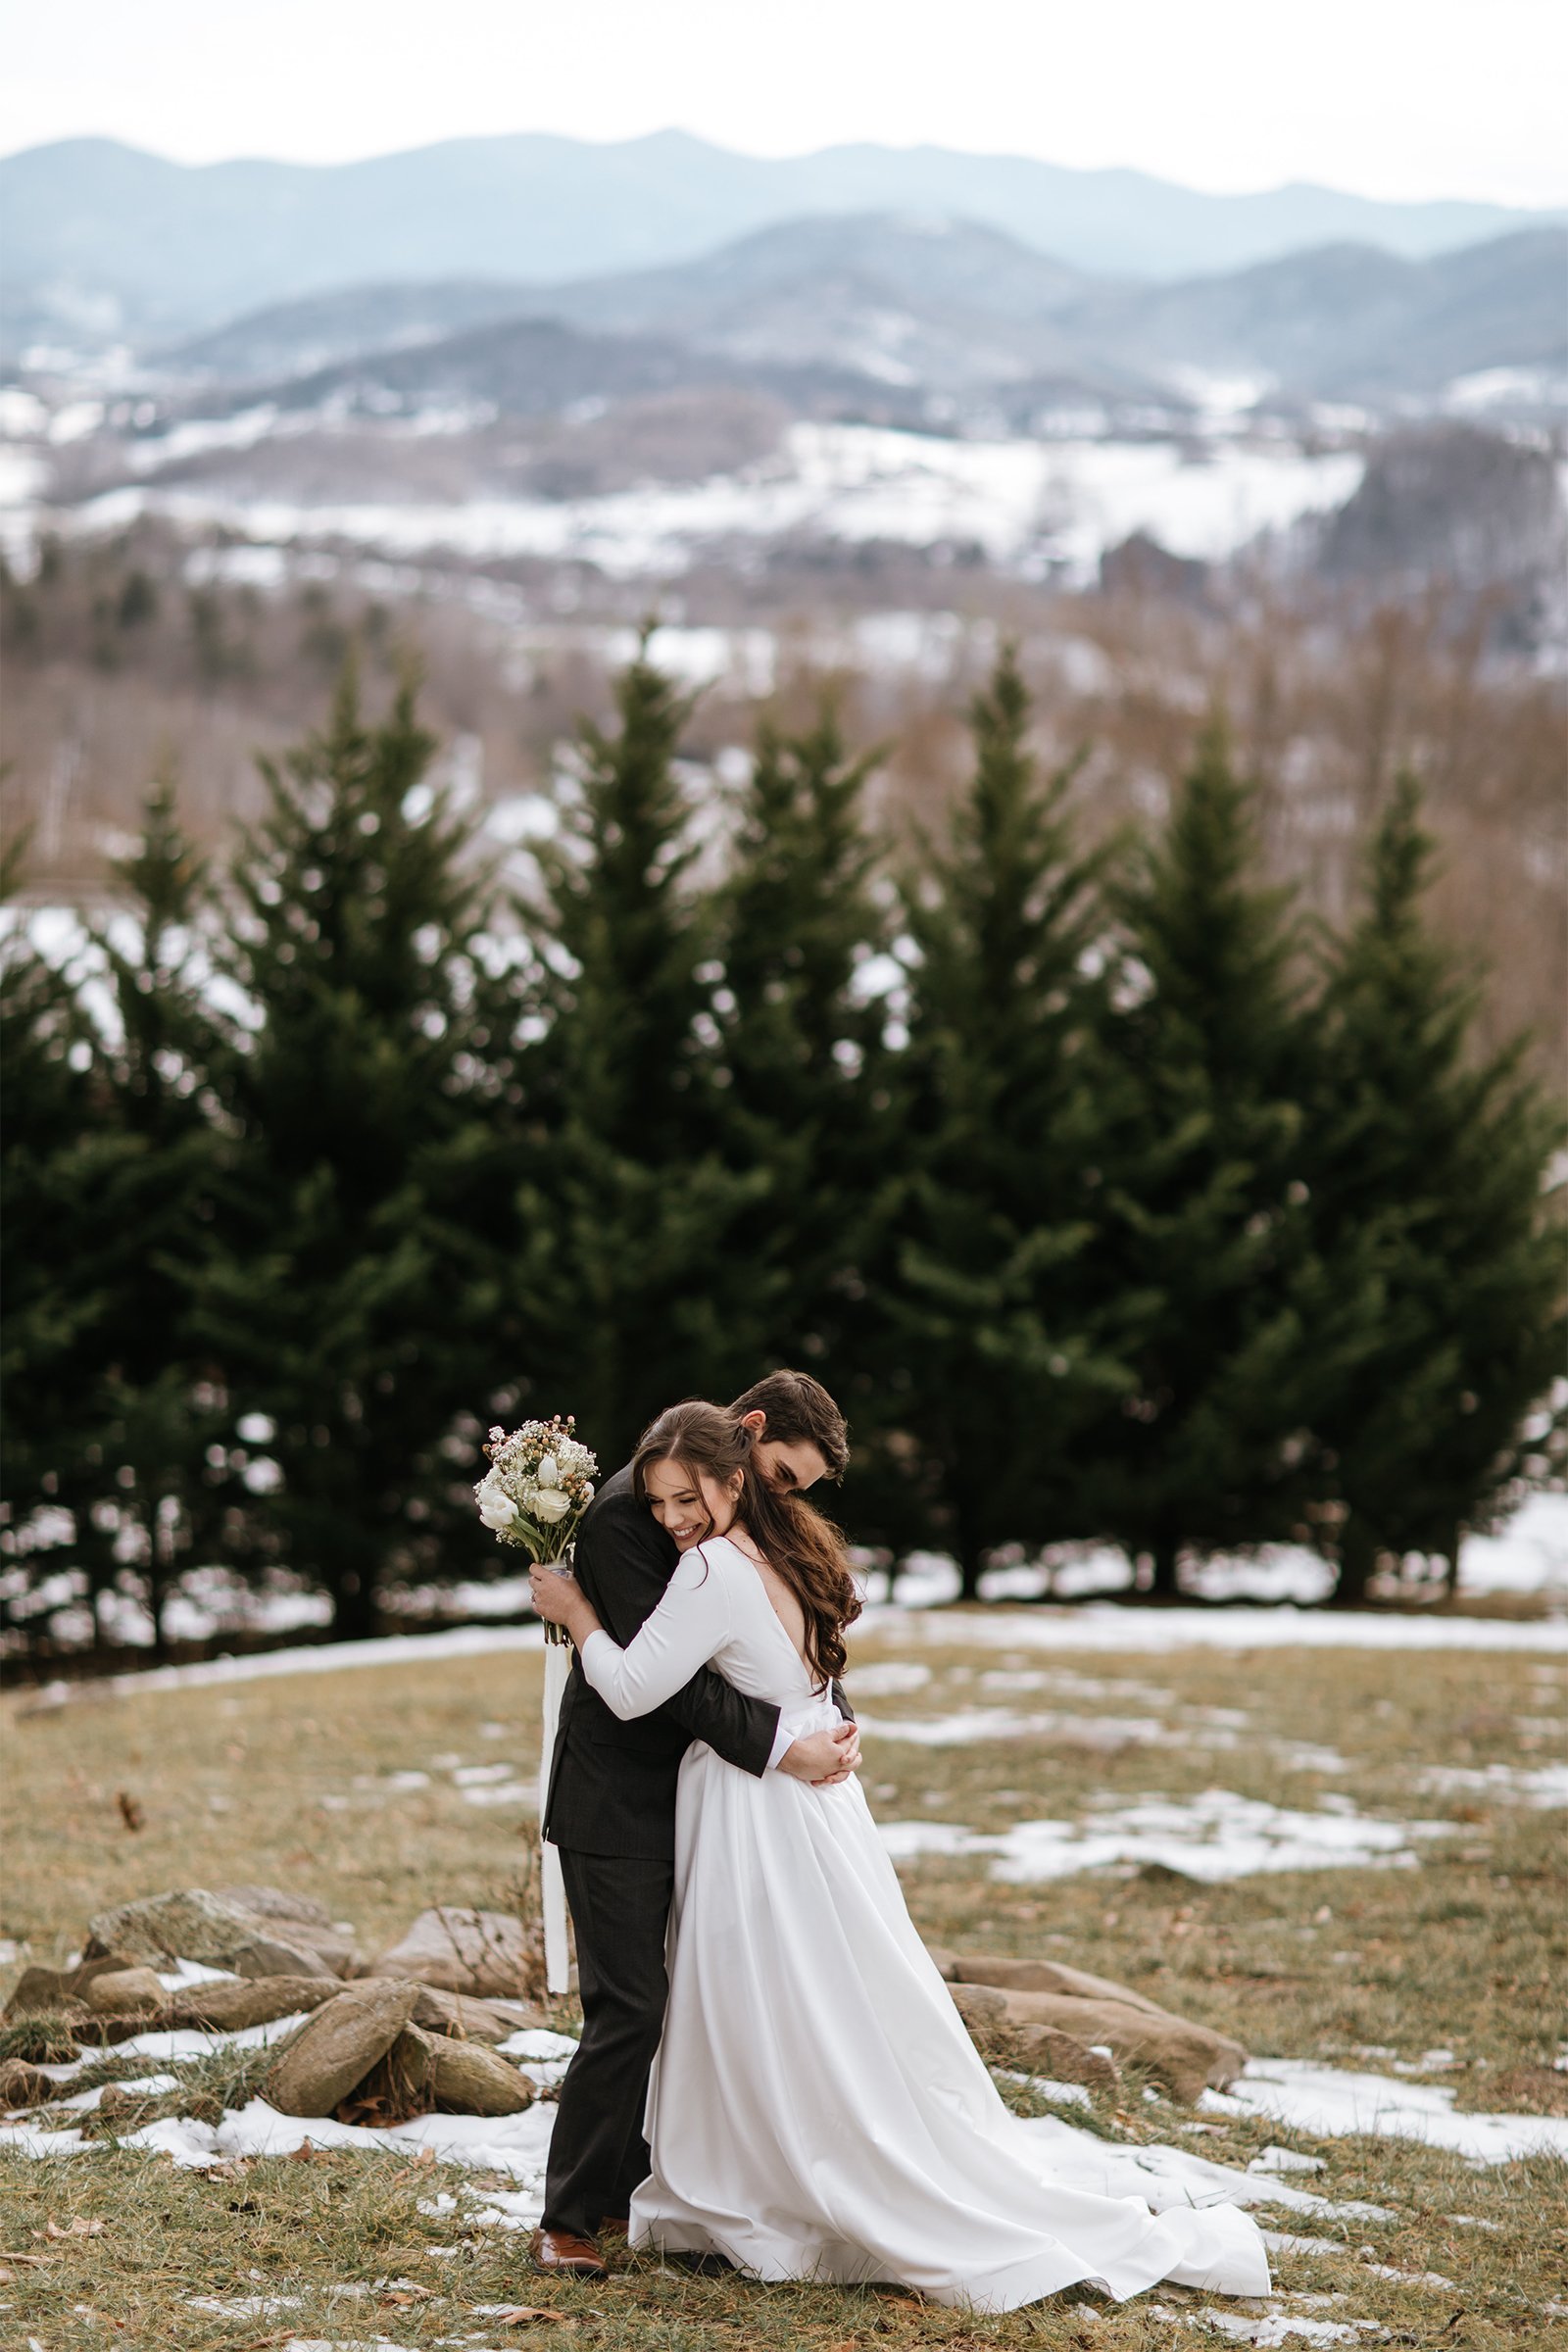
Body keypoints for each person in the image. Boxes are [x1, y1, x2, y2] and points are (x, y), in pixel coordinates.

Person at [530, 1401, 1272, 2314]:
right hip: (664, 1803)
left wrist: (576, 1616)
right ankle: (601, 2204)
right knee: (718, 2001)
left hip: (754, 1804)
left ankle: (733, 2184)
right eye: (663, 1501)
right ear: (748, 1448)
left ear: (728, 1472)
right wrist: (799, 1729)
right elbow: (721, 1680)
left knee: (759, 1999)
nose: (673, 1518)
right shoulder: (702, 1534)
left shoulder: (723, 1556)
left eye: (688, 1499)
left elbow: (652, 1684)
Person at [534, 1373, 860, 2278]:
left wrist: (826, 1716)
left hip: (715, 1800)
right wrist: (782, 1748)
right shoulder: (621, 1523)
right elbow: (669, 1689)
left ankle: (665, 2189)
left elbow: (781, 1641)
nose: (784, 1496)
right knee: (630, 2004)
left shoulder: (741, 1519)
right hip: (622, 1798)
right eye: (785, 1475)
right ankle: (570, 2214)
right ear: (749, 1435)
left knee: (706, 2002)